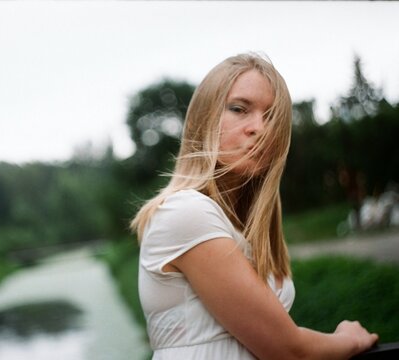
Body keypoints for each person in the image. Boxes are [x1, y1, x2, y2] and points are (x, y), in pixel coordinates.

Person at [131, 53, 378, 359]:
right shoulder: (186, 211)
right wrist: (349, 339)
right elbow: (288, 350)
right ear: (202, 119)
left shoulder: (240, 226)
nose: (259, 128)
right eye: (239, 109)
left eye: (272, 117)